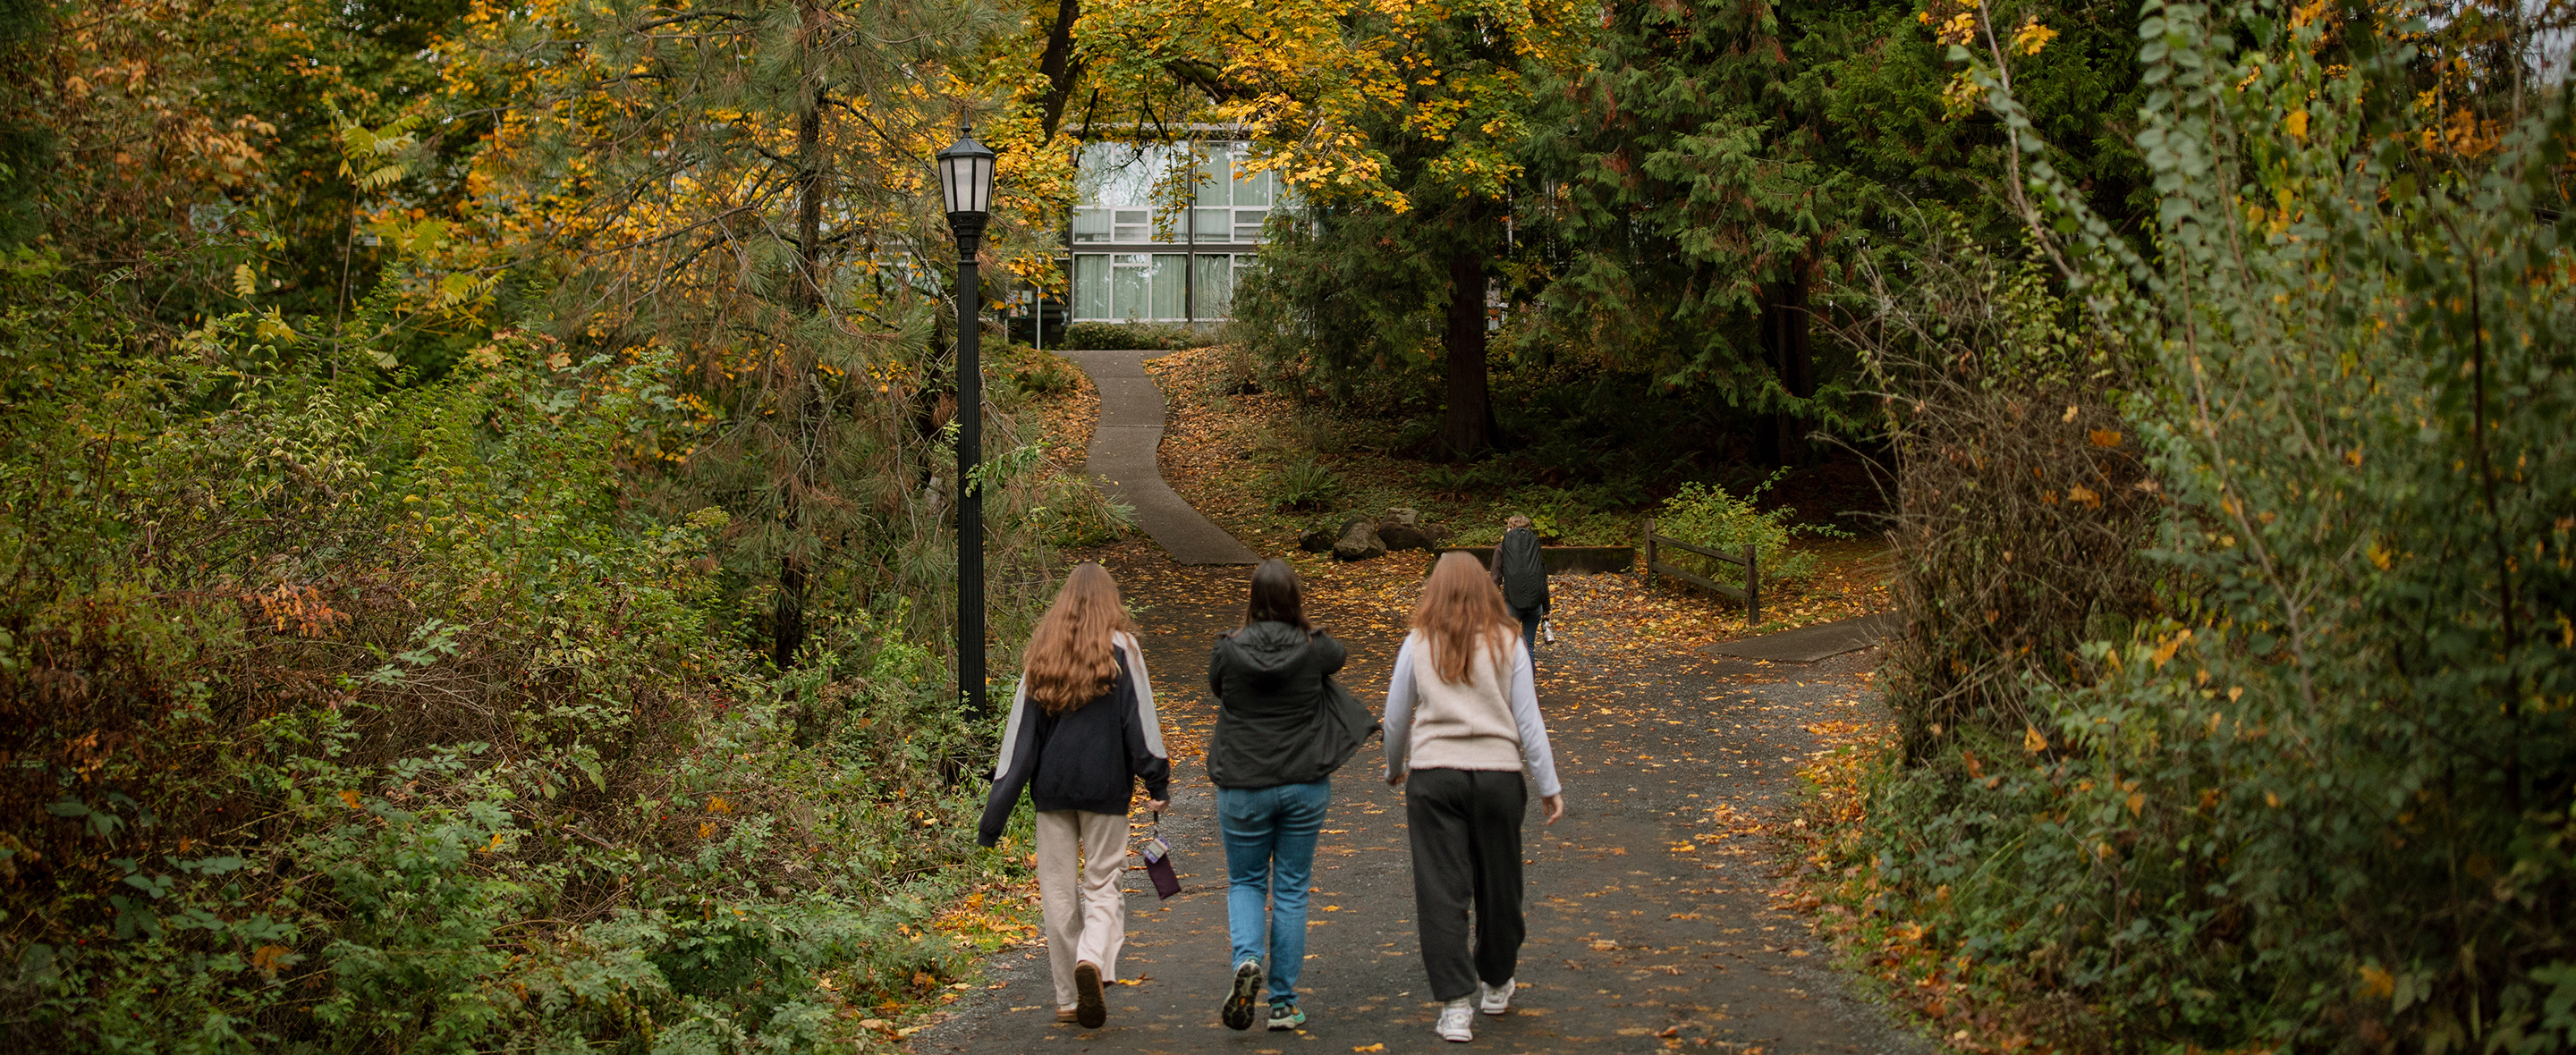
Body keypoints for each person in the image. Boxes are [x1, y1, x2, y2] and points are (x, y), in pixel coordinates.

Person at [978, 562, 1171, 1030]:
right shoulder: (1123, 649)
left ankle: (1068, 999)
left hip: (1053, 791)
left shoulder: (1044, 652)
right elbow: (1141, 724)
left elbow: (1019, 743)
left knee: (1058, 894)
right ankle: (1093, 959)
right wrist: (1157, 782)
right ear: (1110, 601)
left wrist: (993, 818)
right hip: (1106, 788)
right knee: (1103, 885)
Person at [1385, 551, 1565, 1043]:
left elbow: (1397, 715)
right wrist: (1548, 785)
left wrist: (1394, 766)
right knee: (1500, 883)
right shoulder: (1510, 642)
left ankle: (1454, 1007)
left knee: (1441, 891)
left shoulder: (1418, 642)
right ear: (1488, 589)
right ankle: (1497, 980)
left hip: (1434, 777)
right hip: (1498, 777)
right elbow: (1528, 720)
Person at [1205, 558, 1377, 1032]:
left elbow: (1217, 688)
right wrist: (1306, 628)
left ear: (1251, 599)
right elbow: (1340, 655)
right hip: (1303, 783)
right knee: (1292, 887)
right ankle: (1282, 1002)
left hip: (1242, 783)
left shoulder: (1228, 649)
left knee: (1245, 882)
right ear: (1295, 599)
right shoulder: (1313, 648)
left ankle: (1247, 959)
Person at [1490, 515, 1549, 662]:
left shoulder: (1502, 548)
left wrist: (1491, 604)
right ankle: (1529, 676)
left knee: (1509, 645)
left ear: (1510, 529)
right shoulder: (1535, 548)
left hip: (1512, 602)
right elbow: (1542, 578)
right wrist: (1546, 607)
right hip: (1536, 604)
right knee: (1529, 646)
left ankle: (1511, 676)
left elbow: (1495, 578)